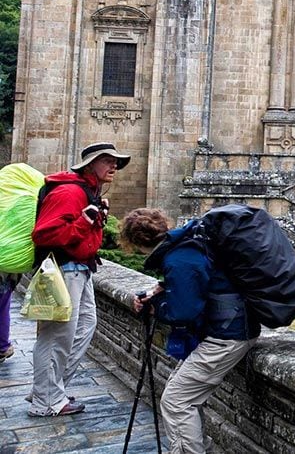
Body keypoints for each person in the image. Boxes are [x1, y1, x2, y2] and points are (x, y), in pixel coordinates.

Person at [120, 208, 260, 454]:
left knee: (176, 401)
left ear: (137, 241)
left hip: (227, 336)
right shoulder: (188, 244)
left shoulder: (180, 257)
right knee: (183, 397)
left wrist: (155, 307)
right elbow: (199, 283)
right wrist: (160, 291)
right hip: (230, 330)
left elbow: (183, 311)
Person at [27, 141, 130, 417]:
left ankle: (49, 388)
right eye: (108, 161)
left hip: (80, 269)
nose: (114, 167)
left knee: (85, 326)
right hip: (64, 270)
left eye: (115, 162)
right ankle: (46, 401)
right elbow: (44, 235)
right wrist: (85, 222)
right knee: (57, 336)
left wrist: (94, 219)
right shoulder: (71, 192)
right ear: (90, 164)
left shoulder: (87, 192)